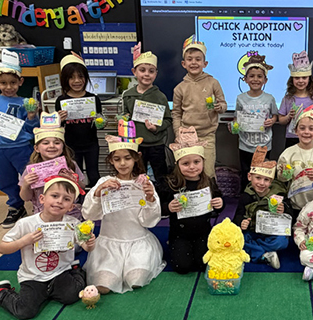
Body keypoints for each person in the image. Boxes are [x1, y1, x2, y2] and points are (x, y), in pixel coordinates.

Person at [0, 176, 95, 319]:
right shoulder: (26, 224)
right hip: (33, 276)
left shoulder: (73, 223)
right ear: (42, 199)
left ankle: (75, 270)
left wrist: (89, 244)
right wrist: (24, 241)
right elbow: (2, 248)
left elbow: (85, 247)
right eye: (54, 196)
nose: (59, 201)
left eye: (66, 199)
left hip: (60, 272)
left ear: (71, 206)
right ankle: (0, 293)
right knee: (24, 312)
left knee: (72, 296)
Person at [81, 120, 165, 294]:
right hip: (109, 243)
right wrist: (97, 193)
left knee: (136, 280)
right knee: (104, 286)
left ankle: (136, 265)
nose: (123, 163)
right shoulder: (104, 183)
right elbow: (90, 214)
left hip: (137, 242)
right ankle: (108, 269)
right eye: (117, 159)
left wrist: (149, 198)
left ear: (136, 158)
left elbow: (149, 221)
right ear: (111, 160)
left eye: (127, 158)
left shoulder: (143, 183)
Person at [0, 49, 39, 228]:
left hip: (20, 148)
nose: (9, 87)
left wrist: (32, 116)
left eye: (13, 83)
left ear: (20, 82)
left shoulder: (25, 103)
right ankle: (15, 207)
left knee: (30, 177)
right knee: (6, 179)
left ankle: (38, 205)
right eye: (3, 83)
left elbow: (32, 128)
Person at [159, 126, 225, 274]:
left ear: (202, 162)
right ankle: (174, 244)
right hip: (180, 234)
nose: (192, 167)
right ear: (177, 164)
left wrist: (220, 203)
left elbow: (219, 202)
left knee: (203, 265)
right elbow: (159, 208)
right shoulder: (171, 184)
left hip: (203, 231)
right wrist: (168, 207)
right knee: (183, 267)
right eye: (186, 164)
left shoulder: (208, 182)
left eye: (196, 162)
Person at [172, 35, 227, 177]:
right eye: (190, 60)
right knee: (188, 173)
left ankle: (210, 197)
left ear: (205, 63)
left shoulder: (213, 82)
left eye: (198, 59)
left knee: (208, 172)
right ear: (184, 64)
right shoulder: (180, 88)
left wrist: (219, 107)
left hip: (207, 136)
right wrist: (178, 134)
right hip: (186, 136)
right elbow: (176, 113)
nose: (194, 63)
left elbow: (223, 104)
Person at [20, 112, 86, 220]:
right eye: (45, 143)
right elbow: (25, 198)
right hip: (43, 214)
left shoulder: (70, 165)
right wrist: (26, 185)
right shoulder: (31, 170)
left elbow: (82, 188)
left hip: (69, 212)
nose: (52, 146)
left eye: (57, 143)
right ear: (36, 148)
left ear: (63, 147)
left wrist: (75, 180)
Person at [122, 43, 172, 183]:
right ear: (134, 72)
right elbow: (124, 116)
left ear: (156, 73)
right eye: (142, 70)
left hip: (155, 144)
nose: (146, 74)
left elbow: (168, 119)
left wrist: (156, 128)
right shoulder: (128, 95)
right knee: (137, 176)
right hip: (136, 144)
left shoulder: (160, 96)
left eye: (151, 71)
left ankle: (163, 203)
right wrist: (124, 119)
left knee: (161, 176)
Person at [233, 146, 291, 269]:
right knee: (236, 239)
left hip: (271, 233)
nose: (261, 183)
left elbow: (290, 216)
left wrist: (284, 210)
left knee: (283, 242)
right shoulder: (245, 196)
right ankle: (265, 254)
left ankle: (257, 251)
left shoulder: (279, 195)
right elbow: (237, 215)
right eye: (258, 178)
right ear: (250, 177)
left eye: (266, 180)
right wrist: (241, 222)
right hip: (252, 231)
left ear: (271, 182)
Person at [54, 52, 102, 188]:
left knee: (94, 174)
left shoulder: (93, 99)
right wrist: (59, 119)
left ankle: (96, 199)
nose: (77, 81)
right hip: (71, 145)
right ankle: (78, 201)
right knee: (75, 174)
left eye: (80, 76)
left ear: (86, 78)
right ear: (65, 79)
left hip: (91, 144)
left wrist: (100, 121)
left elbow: (100, 123)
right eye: (71, 77)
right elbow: (58, 127)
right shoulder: (61, 100)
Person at [232, 54, 279, 190]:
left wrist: (272, 121)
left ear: (265, 80)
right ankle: (246, 200)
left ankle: (261, 200)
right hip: (245, 144)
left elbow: (275, 116)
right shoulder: (240, 98)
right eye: (251, 76)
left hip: (264, 144)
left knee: (263, 174)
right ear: (245, 79)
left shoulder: (269, 98)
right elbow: (236, 118)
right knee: (246, 173)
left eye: (259, 76)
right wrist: (234, 126)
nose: (255, 79)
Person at [277, 106, 313, 217]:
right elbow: (281, 179)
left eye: (311, 129)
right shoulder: (288, 153)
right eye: (302, 128)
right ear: (295, 131)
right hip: (295, 205)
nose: (306, 132)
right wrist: (284, 174)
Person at [278, 51, 313, 148]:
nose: (300, 81)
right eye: (297, 78)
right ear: (292, 80)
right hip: (292, 136)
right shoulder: (288, 99)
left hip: (310, 137)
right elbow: (281, 120)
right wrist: (288, 116)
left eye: (304, 78)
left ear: (309, 79)